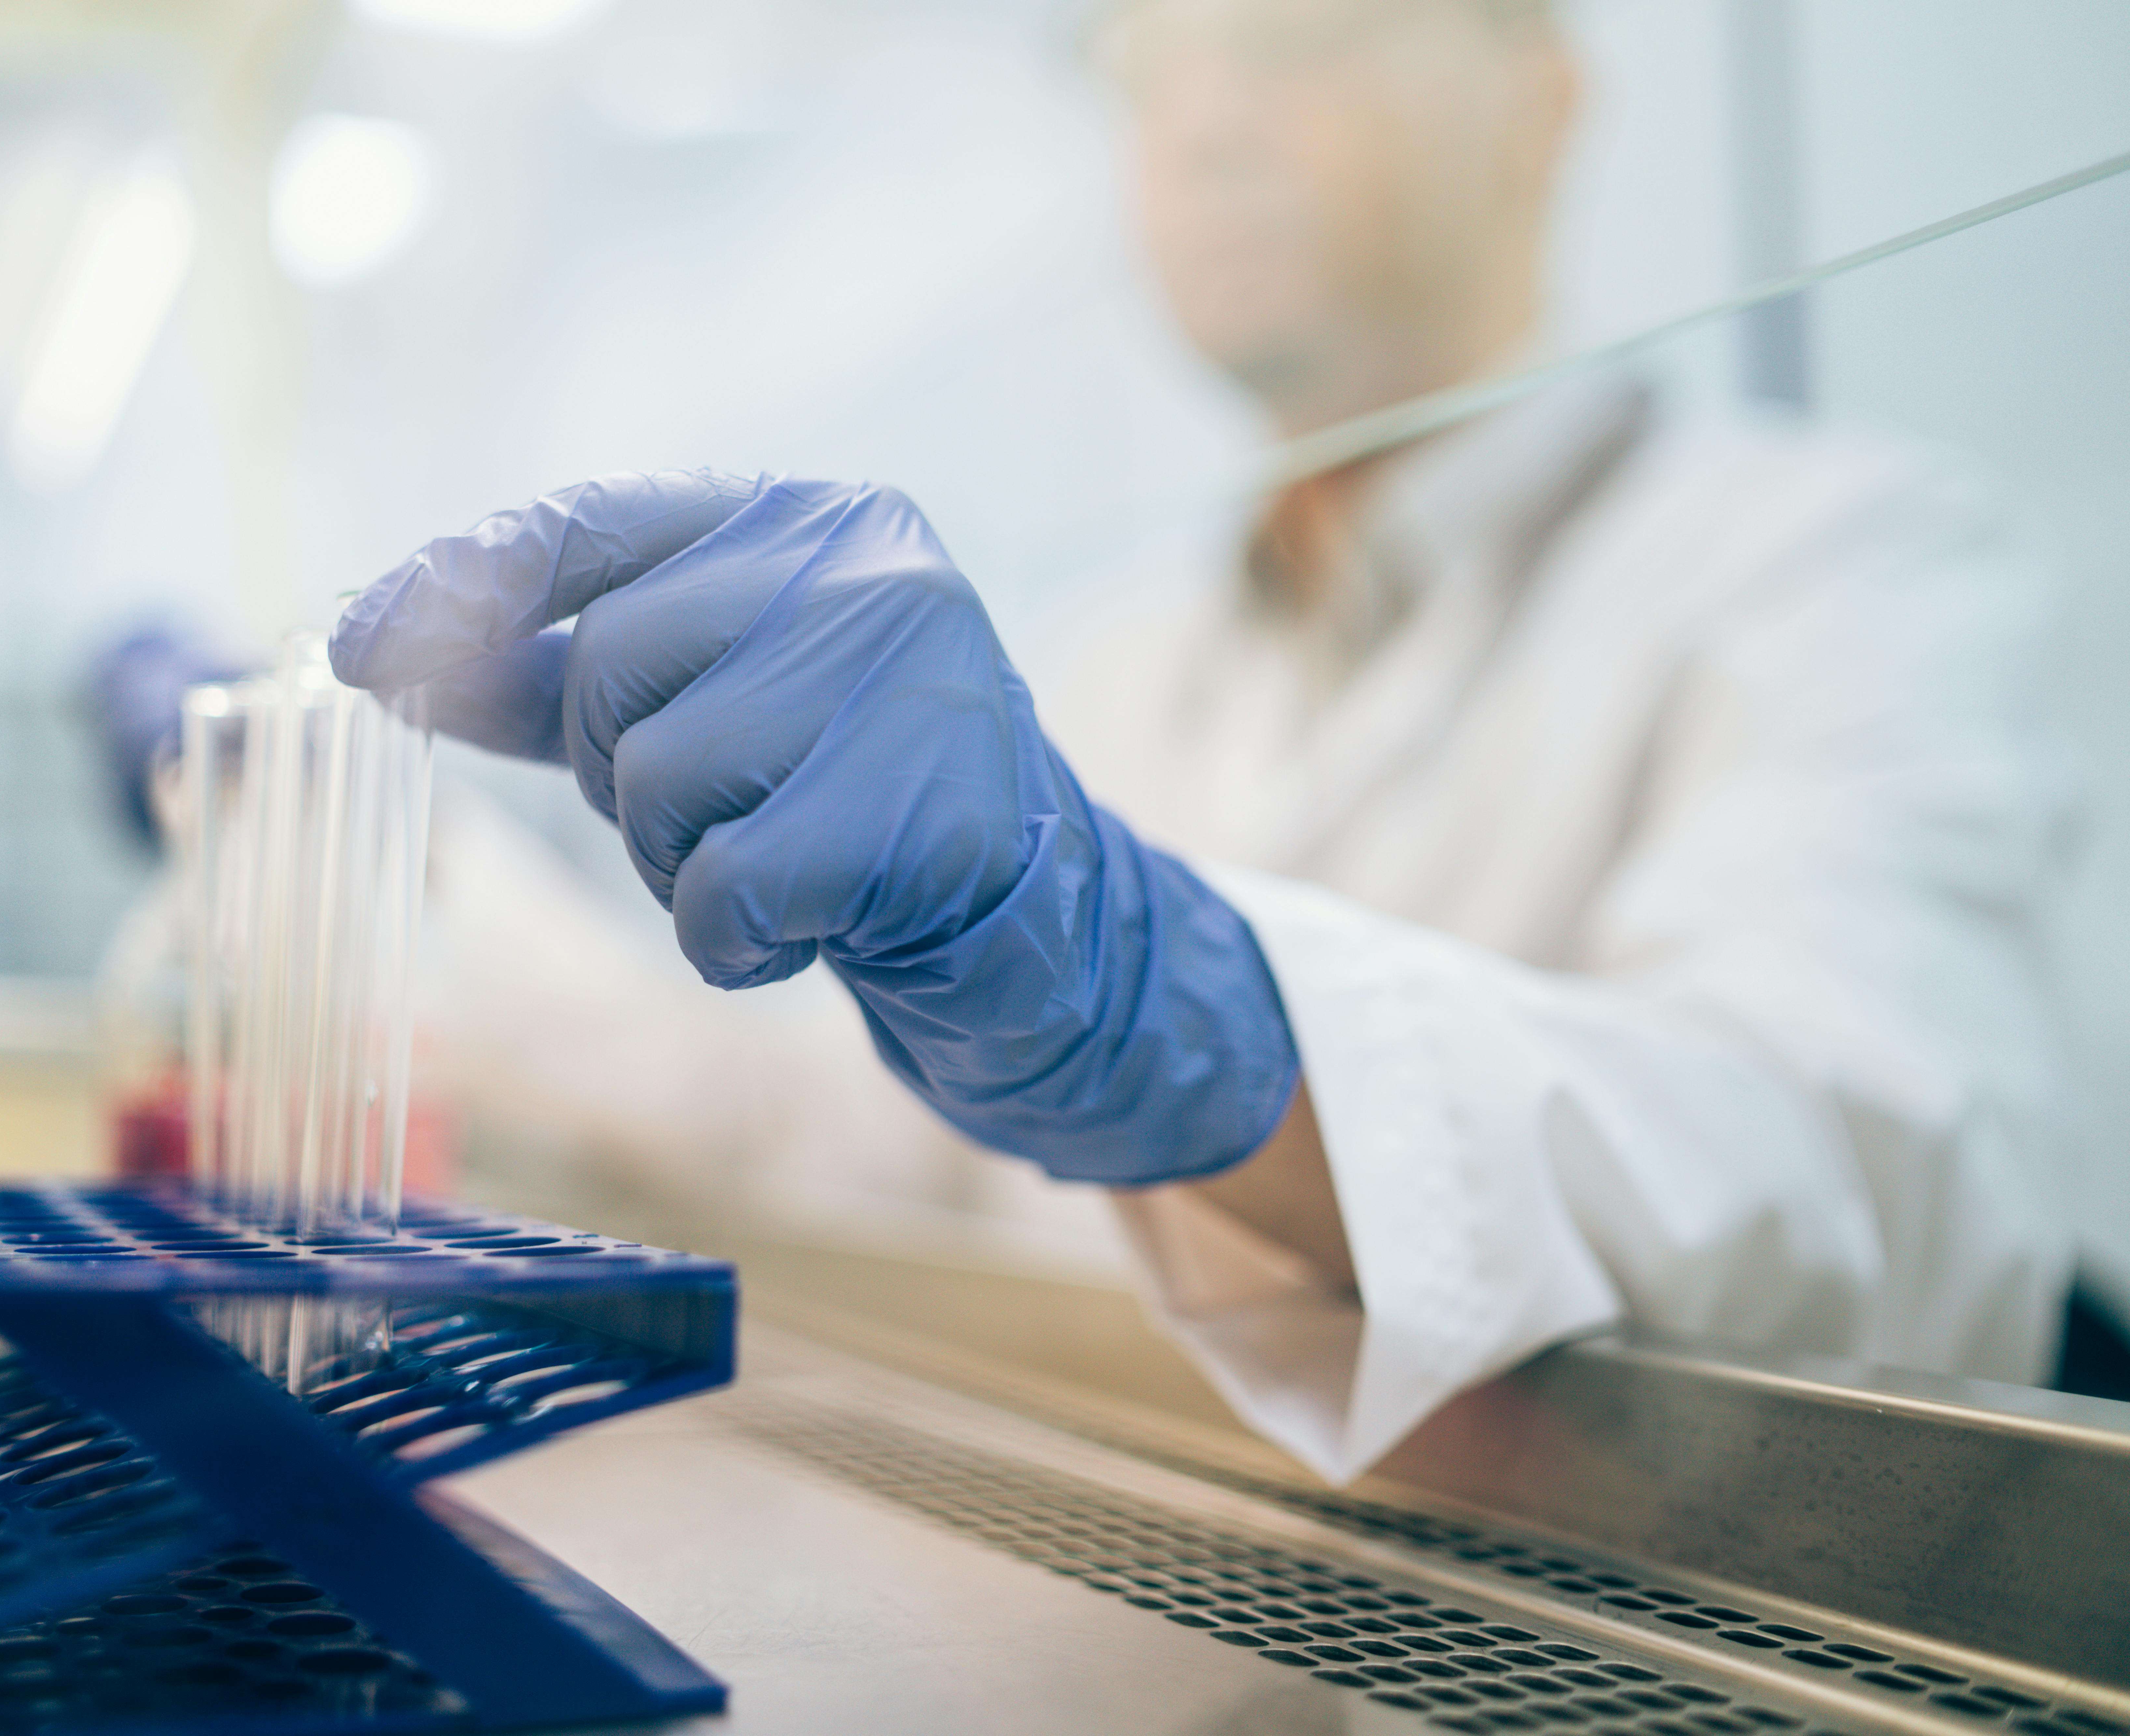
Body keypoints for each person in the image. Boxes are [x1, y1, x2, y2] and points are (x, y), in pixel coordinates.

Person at [325, 0, 2094, 1483]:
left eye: (1295, 31)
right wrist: (395, 875)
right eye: (1142, 59)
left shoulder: (1842, 569)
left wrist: (1187, 1003)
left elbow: (1877, 1197)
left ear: (1545, 101)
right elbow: (879, 1149)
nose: (1206, 124)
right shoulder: (1127, 670)